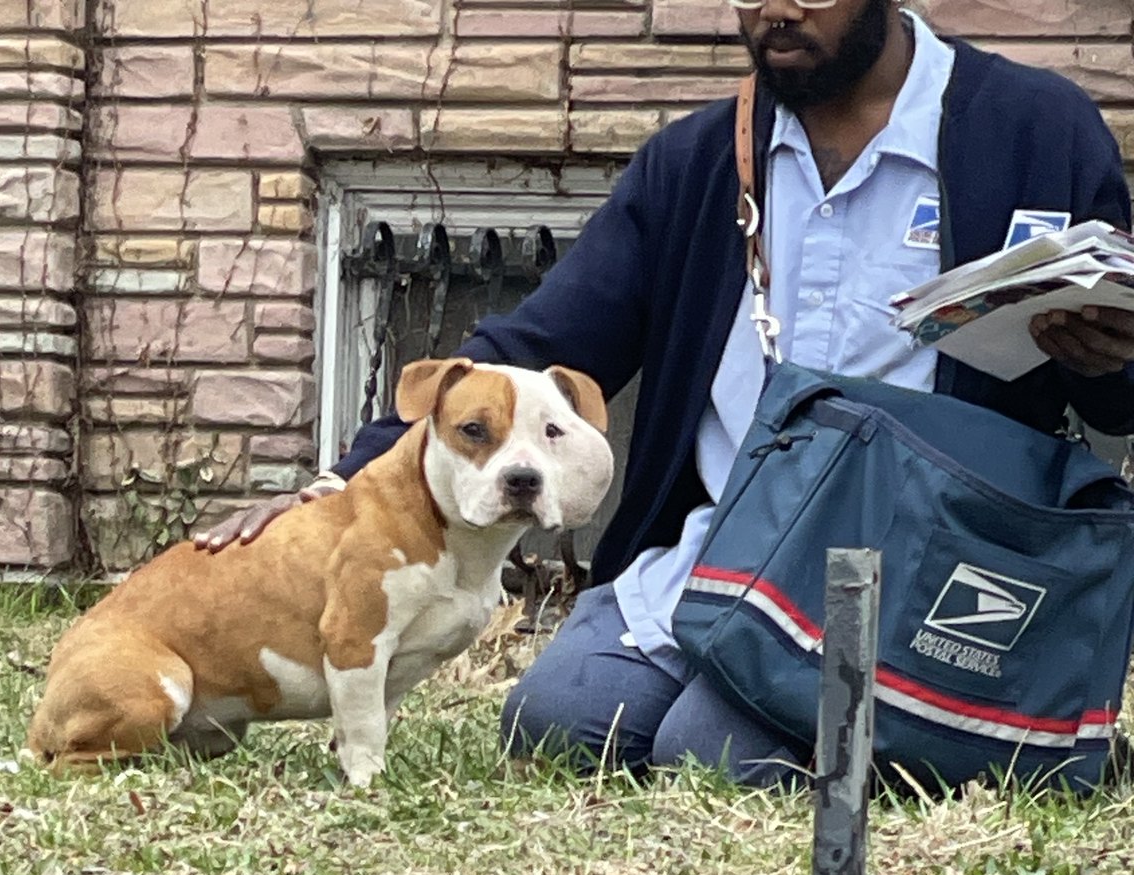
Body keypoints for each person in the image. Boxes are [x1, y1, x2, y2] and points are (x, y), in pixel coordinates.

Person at [200, 0, 1134, 785]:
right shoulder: (697, 161)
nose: (777, 9)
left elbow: (1116, 390)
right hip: (723, 555)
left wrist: (1110, 361)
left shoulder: (1034, 130)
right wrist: (341, 481)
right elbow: (538, 342)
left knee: (705, 752)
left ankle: (953, 730)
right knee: (560, 720)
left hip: (922, 572)